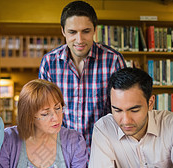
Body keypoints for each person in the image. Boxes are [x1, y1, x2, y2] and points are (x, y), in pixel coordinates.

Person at [0, 79, 108, 168]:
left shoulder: (74, 141)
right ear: (29, 116)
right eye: (45, 114)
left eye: (58, 108)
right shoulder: (9, 139)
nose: (56, 117)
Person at [39, 0, 126, 153]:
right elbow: (44, 112)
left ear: (94, 30)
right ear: (63, 31)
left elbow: (122, 109)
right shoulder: (49, 63)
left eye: (86, 31)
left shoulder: (113, 61)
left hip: (105, 150)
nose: (79, 40)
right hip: (62, 151)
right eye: (72, 32)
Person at [88, 67, 173, 168]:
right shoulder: (104, 128)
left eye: (134, 110)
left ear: (150, 103)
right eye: (117, 110)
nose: (126, 120)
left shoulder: (169, 124)